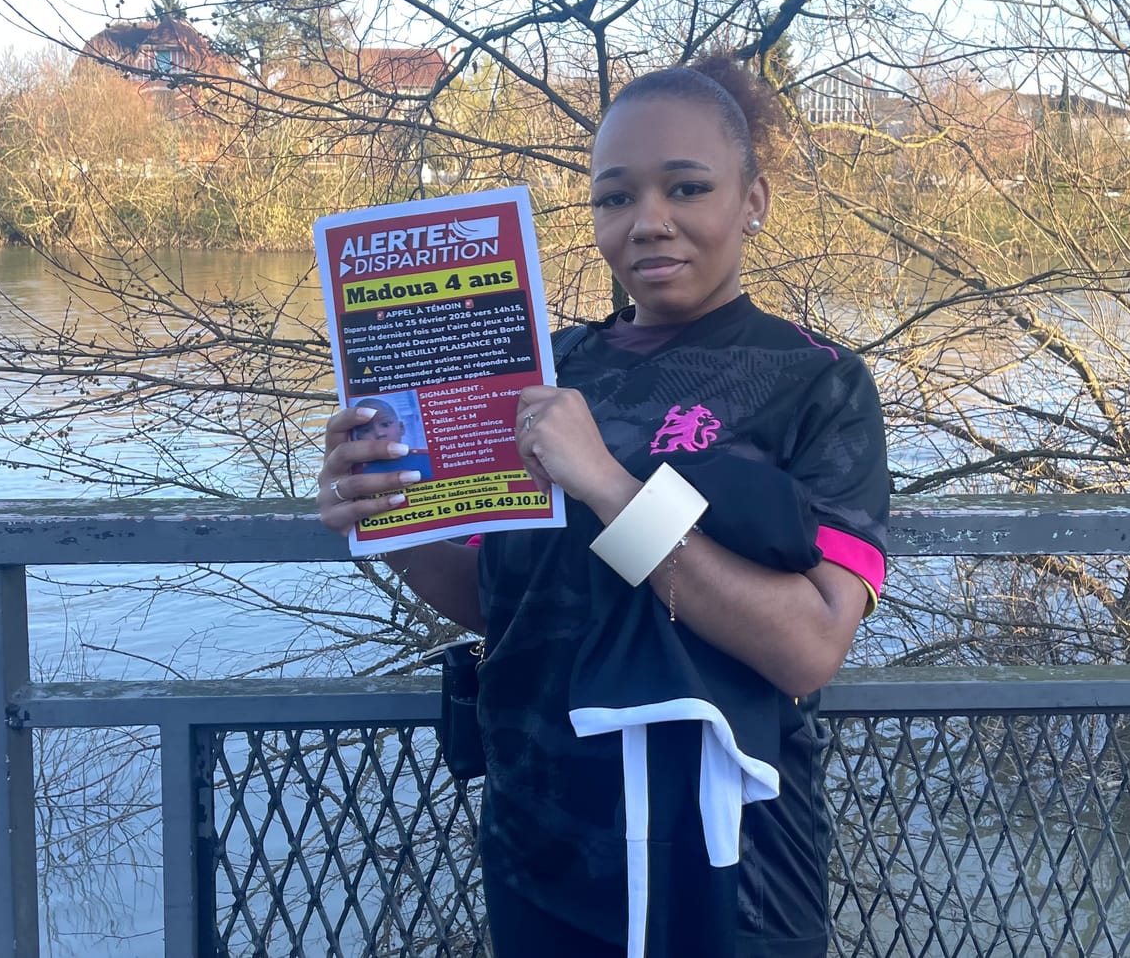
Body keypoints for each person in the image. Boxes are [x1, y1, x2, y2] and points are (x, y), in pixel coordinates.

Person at [317, 56, 889, 957]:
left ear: (754, 200)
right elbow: (505, 602)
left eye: (687, 187)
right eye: (615, 196)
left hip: (731, 867)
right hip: (541, 840)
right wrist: (384, 521)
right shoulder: (540, 372)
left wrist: (611, 488)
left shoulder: (818, 383)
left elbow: (809, 644)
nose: (648, 220)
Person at [347, 396, 434, 482]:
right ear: (358, 438)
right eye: (366, 430)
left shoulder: (426, 459)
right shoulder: (354, 472)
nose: (379, 433)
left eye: (385, 424)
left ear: (401, 428)